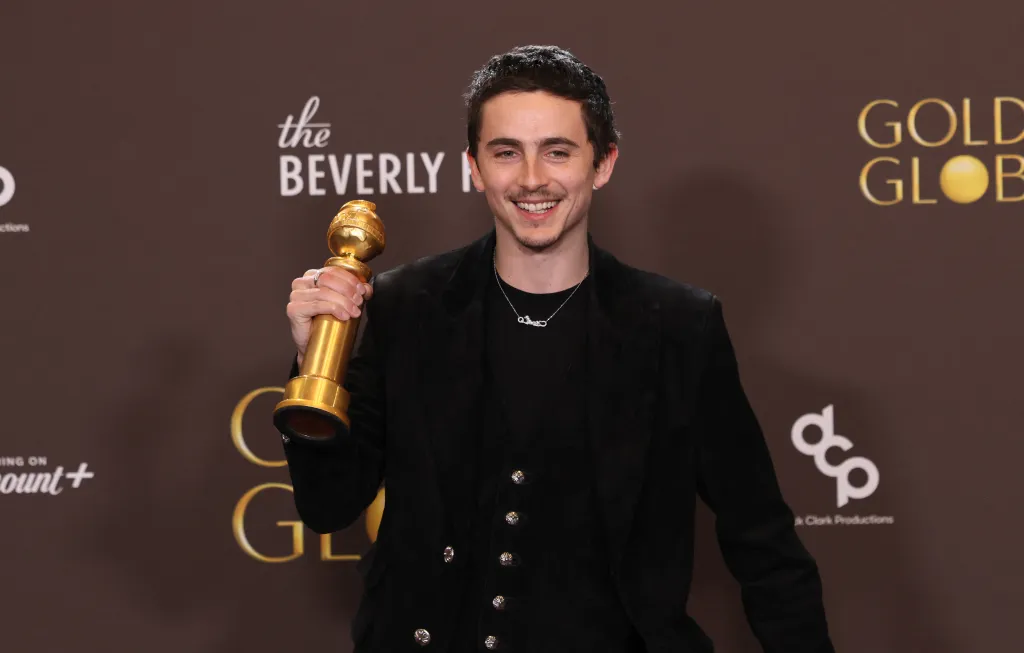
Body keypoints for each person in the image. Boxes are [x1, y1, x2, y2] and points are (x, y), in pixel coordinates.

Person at [279, 45, 834, 653]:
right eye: (506, 152)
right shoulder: (406, 305)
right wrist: (315, 366)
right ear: (474, 167)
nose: (532, 179)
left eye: (558, 151)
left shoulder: (677, 326)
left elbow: (763, 541)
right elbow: (328, 506)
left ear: (603, 163)